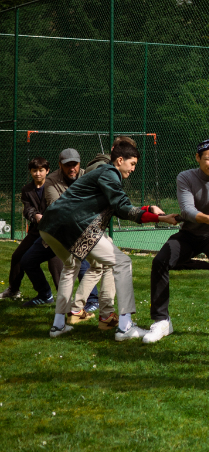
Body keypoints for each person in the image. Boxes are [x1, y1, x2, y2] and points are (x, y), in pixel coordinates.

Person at [39, 144, 175, 340]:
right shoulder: (110, 172)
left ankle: (58, 325)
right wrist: (161, 219)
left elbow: (113, 205)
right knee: (122, 262)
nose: (133, 169)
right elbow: (122, 208)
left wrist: (146, 208)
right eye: (132, 163)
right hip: (74, 226)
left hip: (49, 226)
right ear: (120, 160)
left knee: (71, 267)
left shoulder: (101, 173)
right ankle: (125, 327)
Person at [145, 140, 209, 344]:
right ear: (198, 158)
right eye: (208, 158)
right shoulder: (185, 177)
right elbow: (187, 210)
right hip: (189, 233)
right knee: (160, 261)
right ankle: (162, 321)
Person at [57, 137, 141, 332]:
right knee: (116, 262)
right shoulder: (106, 169)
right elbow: (115, 204)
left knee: (96, 267)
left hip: (84, 226)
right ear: (116, 153)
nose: (132, 166)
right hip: (85, 227)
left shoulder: (100, 166)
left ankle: (75, 312)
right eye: (131, 160)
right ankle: (111, 317)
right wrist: (144, 214)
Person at [18, 149, 85, 308]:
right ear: (60, 166)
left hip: (75, 231)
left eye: (74, 164)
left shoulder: (86, 176)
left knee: (79, 264)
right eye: (67, 165)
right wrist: (35, 215)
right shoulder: (41, 185)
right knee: (24, 259)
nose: (71, 168)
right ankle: (43, 294)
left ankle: (90, 301)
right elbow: (55, 207)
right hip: (47, 232)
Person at [1, 159, 62, 301]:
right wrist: (35, 215)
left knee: (55, 263)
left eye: (41, 170)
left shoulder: (54, 186)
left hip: (54, 233)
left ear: (47, 171)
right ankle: (13, 290)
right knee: (18, 257)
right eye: (34, 170)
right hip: (36, 231)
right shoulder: (26, 190)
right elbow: (27, 209)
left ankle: (63, 297)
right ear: (30, 172)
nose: (37, 173)